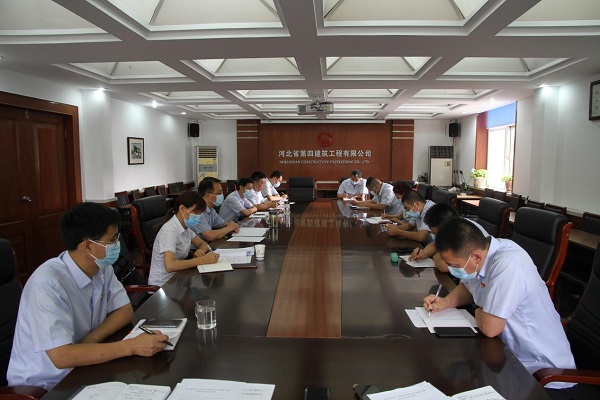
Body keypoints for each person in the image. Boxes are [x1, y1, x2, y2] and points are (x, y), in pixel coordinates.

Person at [7, 202, 168, 390]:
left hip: (86, 365)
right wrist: (132, 346)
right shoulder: (47, 284)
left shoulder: (101, 267)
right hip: (47, 385)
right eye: (112, 239)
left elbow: (124, 311)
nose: (117, 244)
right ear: (88, 246)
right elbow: (62, 357)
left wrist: (90, 341)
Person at [423, 218, 576, 389]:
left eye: (454, 265)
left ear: (476, 257)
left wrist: (479, 307)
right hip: (506, 357)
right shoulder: (483, 255)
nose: (452, 270)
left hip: (541, 373)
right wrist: (445, 302)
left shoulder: (508, 263)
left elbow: (490, 328)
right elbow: (468, 287)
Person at [410, 203, 489, 291]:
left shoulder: (464, 233)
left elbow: (442, 266)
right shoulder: (456, 226)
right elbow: (434, 244)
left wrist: (437, 256)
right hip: (468, 284)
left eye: (437, 234)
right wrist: (424, 253)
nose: (436, 237)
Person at [149, 191, 220, 287]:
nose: (198, 217)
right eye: (196, 213)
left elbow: (203, 244)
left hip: (179, 278)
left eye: (200, 214)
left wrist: (201, 251)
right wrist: (202, 260)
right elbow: (170, 266)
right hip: (163, 286)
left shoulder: (185, 227)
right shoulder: (170, 230)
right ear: (182, 208)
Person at [194, 177, 240, 241]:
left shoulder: (211, 210)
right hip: (197, 247)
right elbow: (210, 236)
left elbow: (223, 224)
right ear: (208, 195)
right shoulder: (197, 211)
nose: (222, 195)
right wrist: (229, 228)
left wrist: (231, 225)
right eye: (219, 193)